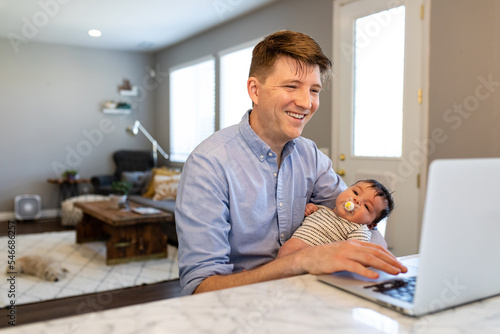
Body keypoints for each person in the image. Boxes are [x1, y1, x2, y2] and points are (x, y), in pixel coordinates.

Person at [175, 30, 407, 295]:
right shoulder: (209, 165)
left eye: (314, 90)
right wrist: (299, 261)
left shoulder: (311, 156)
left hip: (308, 295)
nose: (306, 102)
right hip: (239, 305)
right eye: (291, 86)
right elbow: (200, 288)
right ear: (255, 90)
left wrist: (389, 272)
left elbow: (356, 222)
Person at [277, 179, 394, 258]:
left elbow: (356, 251)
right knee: (287, 250)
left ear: (370, 225)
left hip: (318, 257)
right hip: (291, 251)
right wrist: (310, 208)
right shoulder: (322, 209)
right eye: (355, 192)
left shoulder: (358, 229)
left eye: (367, 206)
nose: (356, 200)